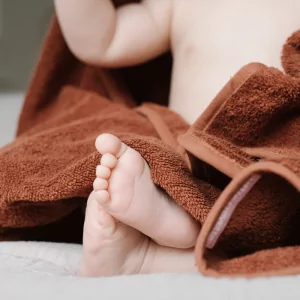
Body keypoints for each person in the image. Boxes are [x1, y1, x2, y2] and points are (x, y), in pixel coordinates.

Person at [54, 0, 300, 276]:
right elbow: (103, 41)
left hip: (282, 165)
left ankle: (168, 241)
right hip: (191, 163)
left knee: (279, 212)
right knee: (144, 158)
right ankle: (160, 232)